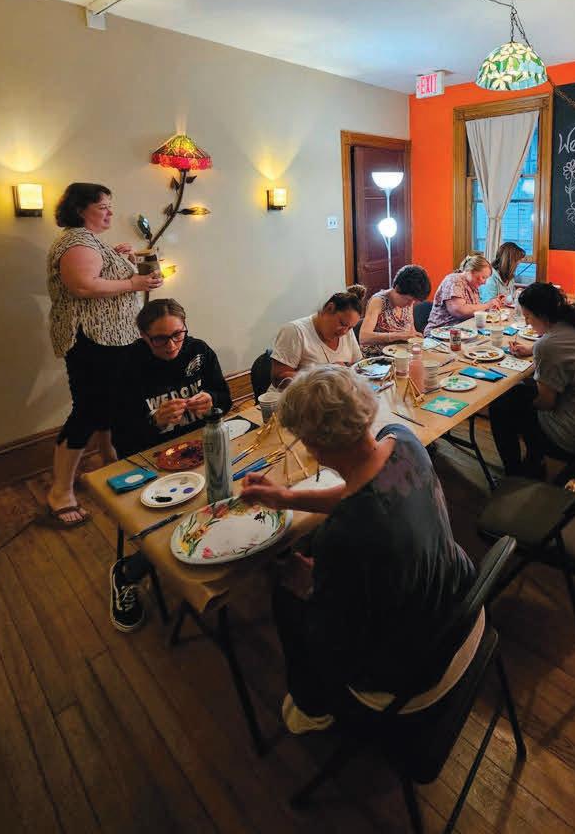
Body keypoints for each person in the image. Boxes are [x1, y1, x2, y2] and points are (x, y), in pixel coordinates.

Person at [241, 366, 478, 733]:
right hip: (461, 601)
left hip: (422, 666)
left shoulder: (344, 533)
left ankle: (312, 707)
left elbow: (334, 637)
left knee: (287, 600)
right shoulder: (402, 440)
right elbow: (362, 489)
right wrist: (287, 497)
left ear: (313, 446)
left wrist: (310, 588)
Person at [108, 298, 232, 633]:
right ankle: (128, 573)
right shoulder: (126, 367)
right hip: (152, 463)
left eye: (178, 334)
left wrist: (212, 401)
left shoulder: (199, 351)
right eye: (160, 339)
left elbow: (225, 399)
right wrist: (154, 421)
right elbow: (121, 438)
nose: (172, 345)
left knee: (233, 491)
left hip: (199, 451)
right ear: (143, 336)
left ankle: (224, 552)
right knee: (174, 523)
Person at [46, 182, 162, 527]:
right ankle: (60, 492)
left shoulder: (90, 241)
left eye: (110, 205)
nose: (110, 212)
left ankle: (109, 459)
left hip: (114, 338)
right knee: (88, 411)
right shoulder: (76, 241)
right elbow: (83, 285)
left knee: (111, 403)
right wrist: (134, 283)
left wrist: (117, 257)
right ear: (80, 209)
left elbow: (98, 274)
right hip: (93, 341)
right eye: (102, 207)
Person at [489, 282, 575, 480]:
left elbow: (546, 403)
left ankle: (515, 473)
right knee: (518, 393)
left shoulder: (549, 345)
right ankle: (534, 460)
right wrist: (532, 351)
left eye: (528, 317)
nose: (527, 322)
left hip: (573, 435)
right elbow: (562, 348)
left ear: (542, 316)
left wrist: (524, 394)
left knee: (500, 406)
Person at [270, 286, 365, 390]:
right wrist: (324, 374)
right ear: (329, 308)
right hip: (294, 397)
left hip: (331, 395)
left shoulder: (346, 331)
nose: (344, 332)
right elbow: (279, 379)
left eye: (350, 327)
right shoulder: (295, 331)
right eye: (342, 324)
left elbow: (357, 365)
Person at [424, 253, 505, 334]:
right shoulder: (454, 281)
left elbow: (475, 310)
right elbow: (460, 311)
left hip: (463, 331)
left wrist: (493, 305)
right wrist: (487, 305)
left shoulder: (473, 285)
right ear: (470, 271)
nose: (484, 282)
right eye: (483, 277)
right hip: (440, 333)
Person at [358, 264, 431, 352]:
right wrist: (398, 336)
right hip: (379, 355)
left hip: (401, 352)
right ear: (397, 288)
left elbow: (411, 330)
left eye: (414, 301)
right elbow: (364, 337)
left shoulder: (408, 301)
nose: (410, 304)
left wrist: (415, 336)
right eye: (408, 299)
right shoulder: (378, 301)